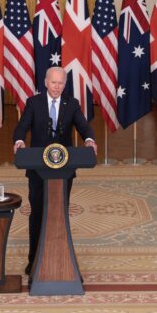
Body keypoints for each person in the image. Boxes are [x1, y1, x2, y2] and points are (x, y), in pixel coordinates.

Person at [13, 66, 97, 276]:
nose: (57, 87)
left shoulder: (72, 104)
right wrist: (19, 141)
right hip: (37, 169)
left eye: (61, 83)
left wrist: (89, 139)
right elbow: (22, 126)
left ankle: (61, 258)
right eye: (53, 82)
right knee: (37, 213)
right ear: (45, 82)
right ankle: (34, 261)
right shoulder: (34, 103)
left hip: (64, 170)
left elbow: (83, 126)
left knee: (60, 213)